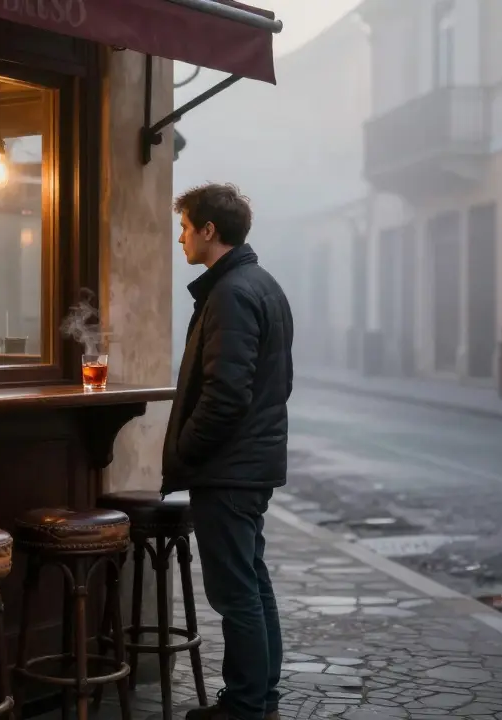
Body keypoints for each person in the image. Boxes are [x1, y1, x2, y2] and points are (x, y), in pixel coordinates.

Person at [162, 183, 293, 720]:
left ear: (209, 231)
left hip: (229, 470)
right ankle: (259, 697)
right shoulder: (256, 283)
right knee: (252, 583)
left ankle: (243, 705)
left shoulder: (233, 293)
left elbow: (225, 395)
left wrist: (187, 452)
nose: (181, 238)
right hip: (246, 466)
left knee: (235, 591)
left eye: (186, 227)